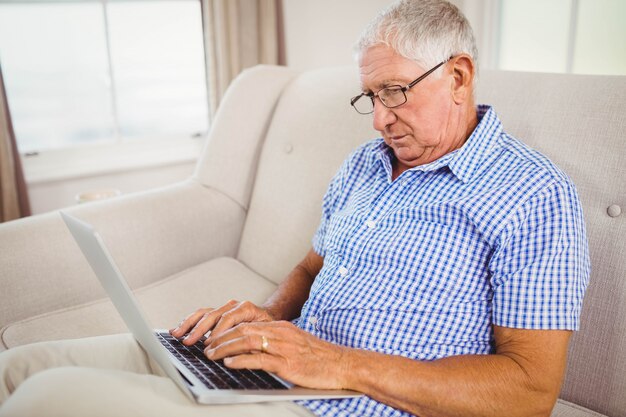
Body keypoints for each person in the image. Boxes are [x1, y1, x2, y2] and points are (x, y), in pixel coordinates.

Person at [0, 0, 589, 416]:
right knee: (19, 371)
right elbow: (312, 268)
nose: (381, 117)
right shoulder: (365, 163)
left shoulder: (534, 194)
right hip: (270, 365)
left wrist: (341, 365)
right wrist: (269, 316)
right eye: (372, 97)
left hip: (335, 405)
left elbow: (530, 391)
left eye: (395, 92)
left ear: (458, 76)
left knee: (40, 402)